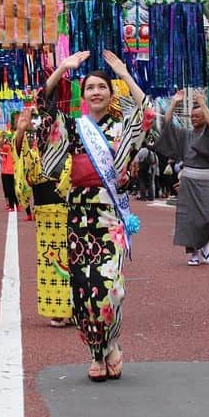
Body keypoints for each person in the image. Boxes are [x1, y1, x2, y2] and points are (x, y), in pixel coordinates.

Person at [39, 50, 151, 382]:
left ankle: (112, 344)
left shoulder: (123, 126)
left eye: (103, 86)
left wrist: (122, 71)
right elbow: (42, 110)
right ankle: (97, 354)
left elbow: (146, 112)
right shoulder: (74, 128)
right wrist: (62, 69)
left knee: (110, 289)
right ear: (83, 95)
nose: (97, 92)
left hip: (109, 215)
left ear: (111, 92)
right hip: (78, 216)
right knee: (83, 291)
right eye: (90, 88)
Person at [14, 111, 73, 327]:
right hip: (47, 215)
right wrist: (21, 131)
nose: (52, 133)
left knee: (75, 260)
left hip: (71, 211)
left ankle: (75, 306)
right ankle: (58, 309)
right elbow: (21, 156)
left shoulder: (70, 152)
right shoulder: (36, 153)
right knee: (52, 261)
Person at [155, 90, 209, 264]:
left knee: (205, 217)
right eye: (192, 116)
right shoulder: (186, 134)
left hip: (205, 179)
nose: (194, 119)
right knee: (187, 217)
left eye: (198, 116)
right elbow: (167, 123)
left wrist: (203, 103)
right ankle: (193, 254)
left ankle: (204, 242)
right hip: (188, 178)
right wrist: (174, 103)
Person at [0, 133, 17, 212]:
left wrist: (2, 138)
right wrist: (1, 138)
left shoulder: (11, 148)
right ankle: (10, 204)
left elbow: (0, 147)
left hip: (12, 172)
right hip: (5, 172)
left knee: (12, 189)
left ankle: (15, 204)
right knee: (7, 189)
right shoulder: (6, 150)